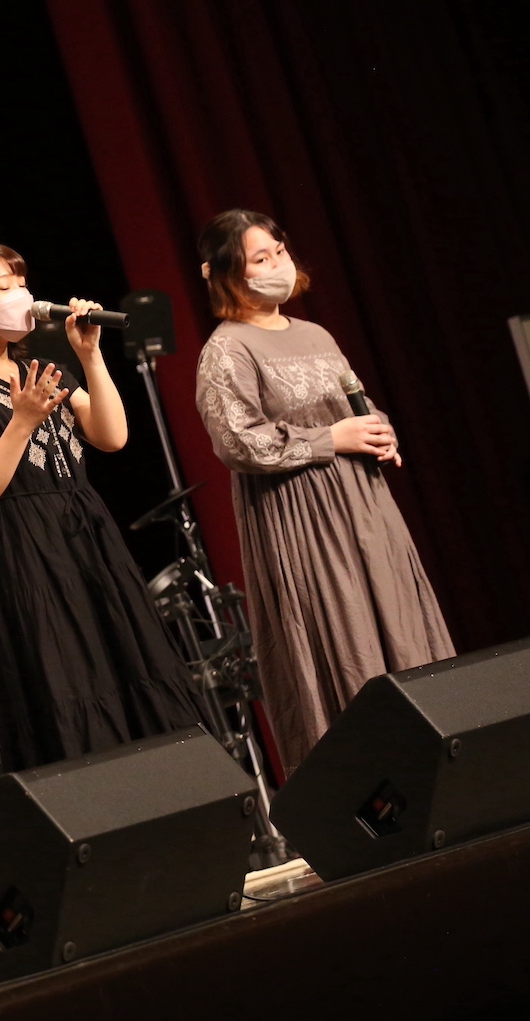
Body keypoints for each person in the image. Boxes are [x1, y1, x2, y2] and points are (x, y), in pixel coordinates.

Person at [0, 244, 203, 771]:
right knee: (67, 678)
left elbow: (112, 436)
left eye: (22, 283)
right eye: (3, 287)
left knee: (128, 659)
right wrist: (22, 421)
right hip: (27, 549)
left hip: (87, 538)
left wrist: (90, 356)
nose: (21, 296)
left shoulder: (45, 369)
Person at [193, 209, 452, 769]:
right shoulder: (227, 350)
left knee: (399, 625)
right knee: (344, 634)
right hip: (303, 516)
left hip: (365, 506)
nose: (277, 265)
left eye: (279, 252)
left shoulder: (315, 334)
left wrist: (378, 429)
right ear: (229, 274)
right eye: (260, 259)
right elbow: (238, 442)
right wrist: (330, 439)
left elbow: (354, 403)